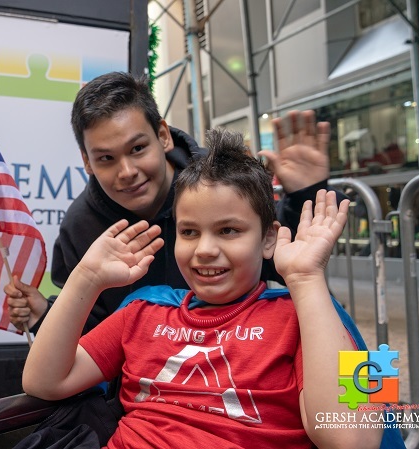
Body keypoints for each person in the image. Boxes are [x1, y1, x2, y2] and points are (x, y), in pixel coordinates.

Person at [22, 129, 383, 448]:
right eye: (189, 232)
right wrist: (86, 277)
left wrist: (307, 280)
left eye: (228, 230)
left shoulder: (311, 314)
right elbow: (42, 381)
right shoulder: (141, 309)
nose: (205, 249)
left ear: (269, 237)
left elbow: (353, 438)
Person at [7, 71, 338, 334]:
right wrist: (47, 316)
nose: (127, 172)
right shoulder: (81, 229)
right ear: (87, 162)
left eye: (137, 149)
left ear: (162, 135)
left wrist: (305, 195)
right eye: (106, 158)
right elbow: (86, 347)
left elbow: (365, 397)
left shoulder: (223, 179)